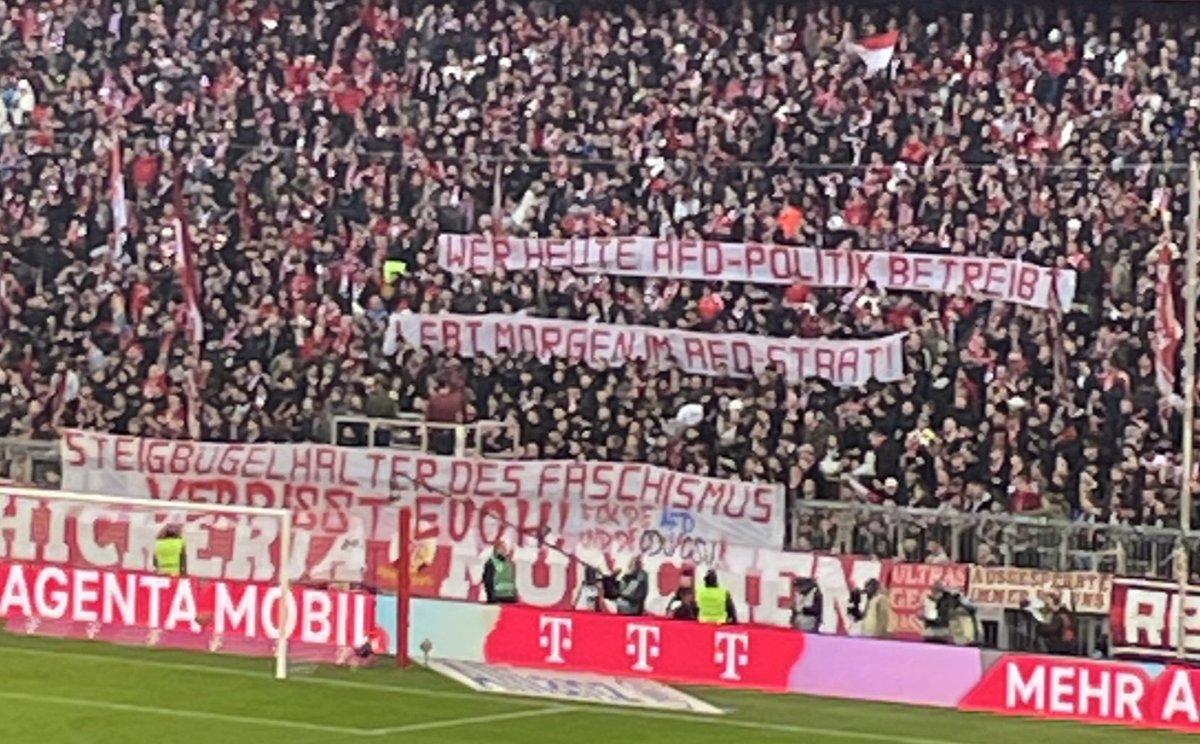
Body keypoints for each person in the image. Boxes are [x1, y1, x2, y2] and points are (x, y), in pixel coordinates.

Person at [1032, 590, 1078, 656]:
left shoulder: (1061, 616)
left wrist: (1039, 627)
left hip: (1059, 650)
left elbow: (1049, 629)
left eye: (1047, 604)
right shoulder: (1063, 614)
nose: (1046, 606)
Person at [482, 539, 517, 604]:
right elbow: (488, 581)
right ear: (496, 550)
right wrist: (491, 597)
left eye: (505, 548)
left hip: (509, 597)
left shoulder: (509, 563)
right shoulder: (491, 563)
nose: (504, 550)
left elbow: (512, 580)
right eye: (502, 548)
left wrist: (515, 595)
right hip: (497, 597)